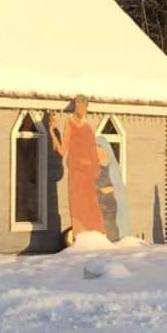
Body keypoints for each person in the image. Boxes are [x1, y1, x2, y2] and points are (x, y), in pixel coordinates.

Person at [48, 95, 104, 236]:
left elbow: (94, 155)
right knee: (79, 211)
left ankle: (96, 239)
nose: (82, 110)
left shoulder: (88, 129)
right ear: (75, 107)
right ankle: (82, 240)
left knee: (92, 209)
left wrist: (95, 169)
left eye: (84, 107)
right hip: (77, 175)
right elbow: (62, 150)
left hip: (89, 177)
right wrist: (52, 131)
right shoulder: (70, 124)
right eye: (79, 106)